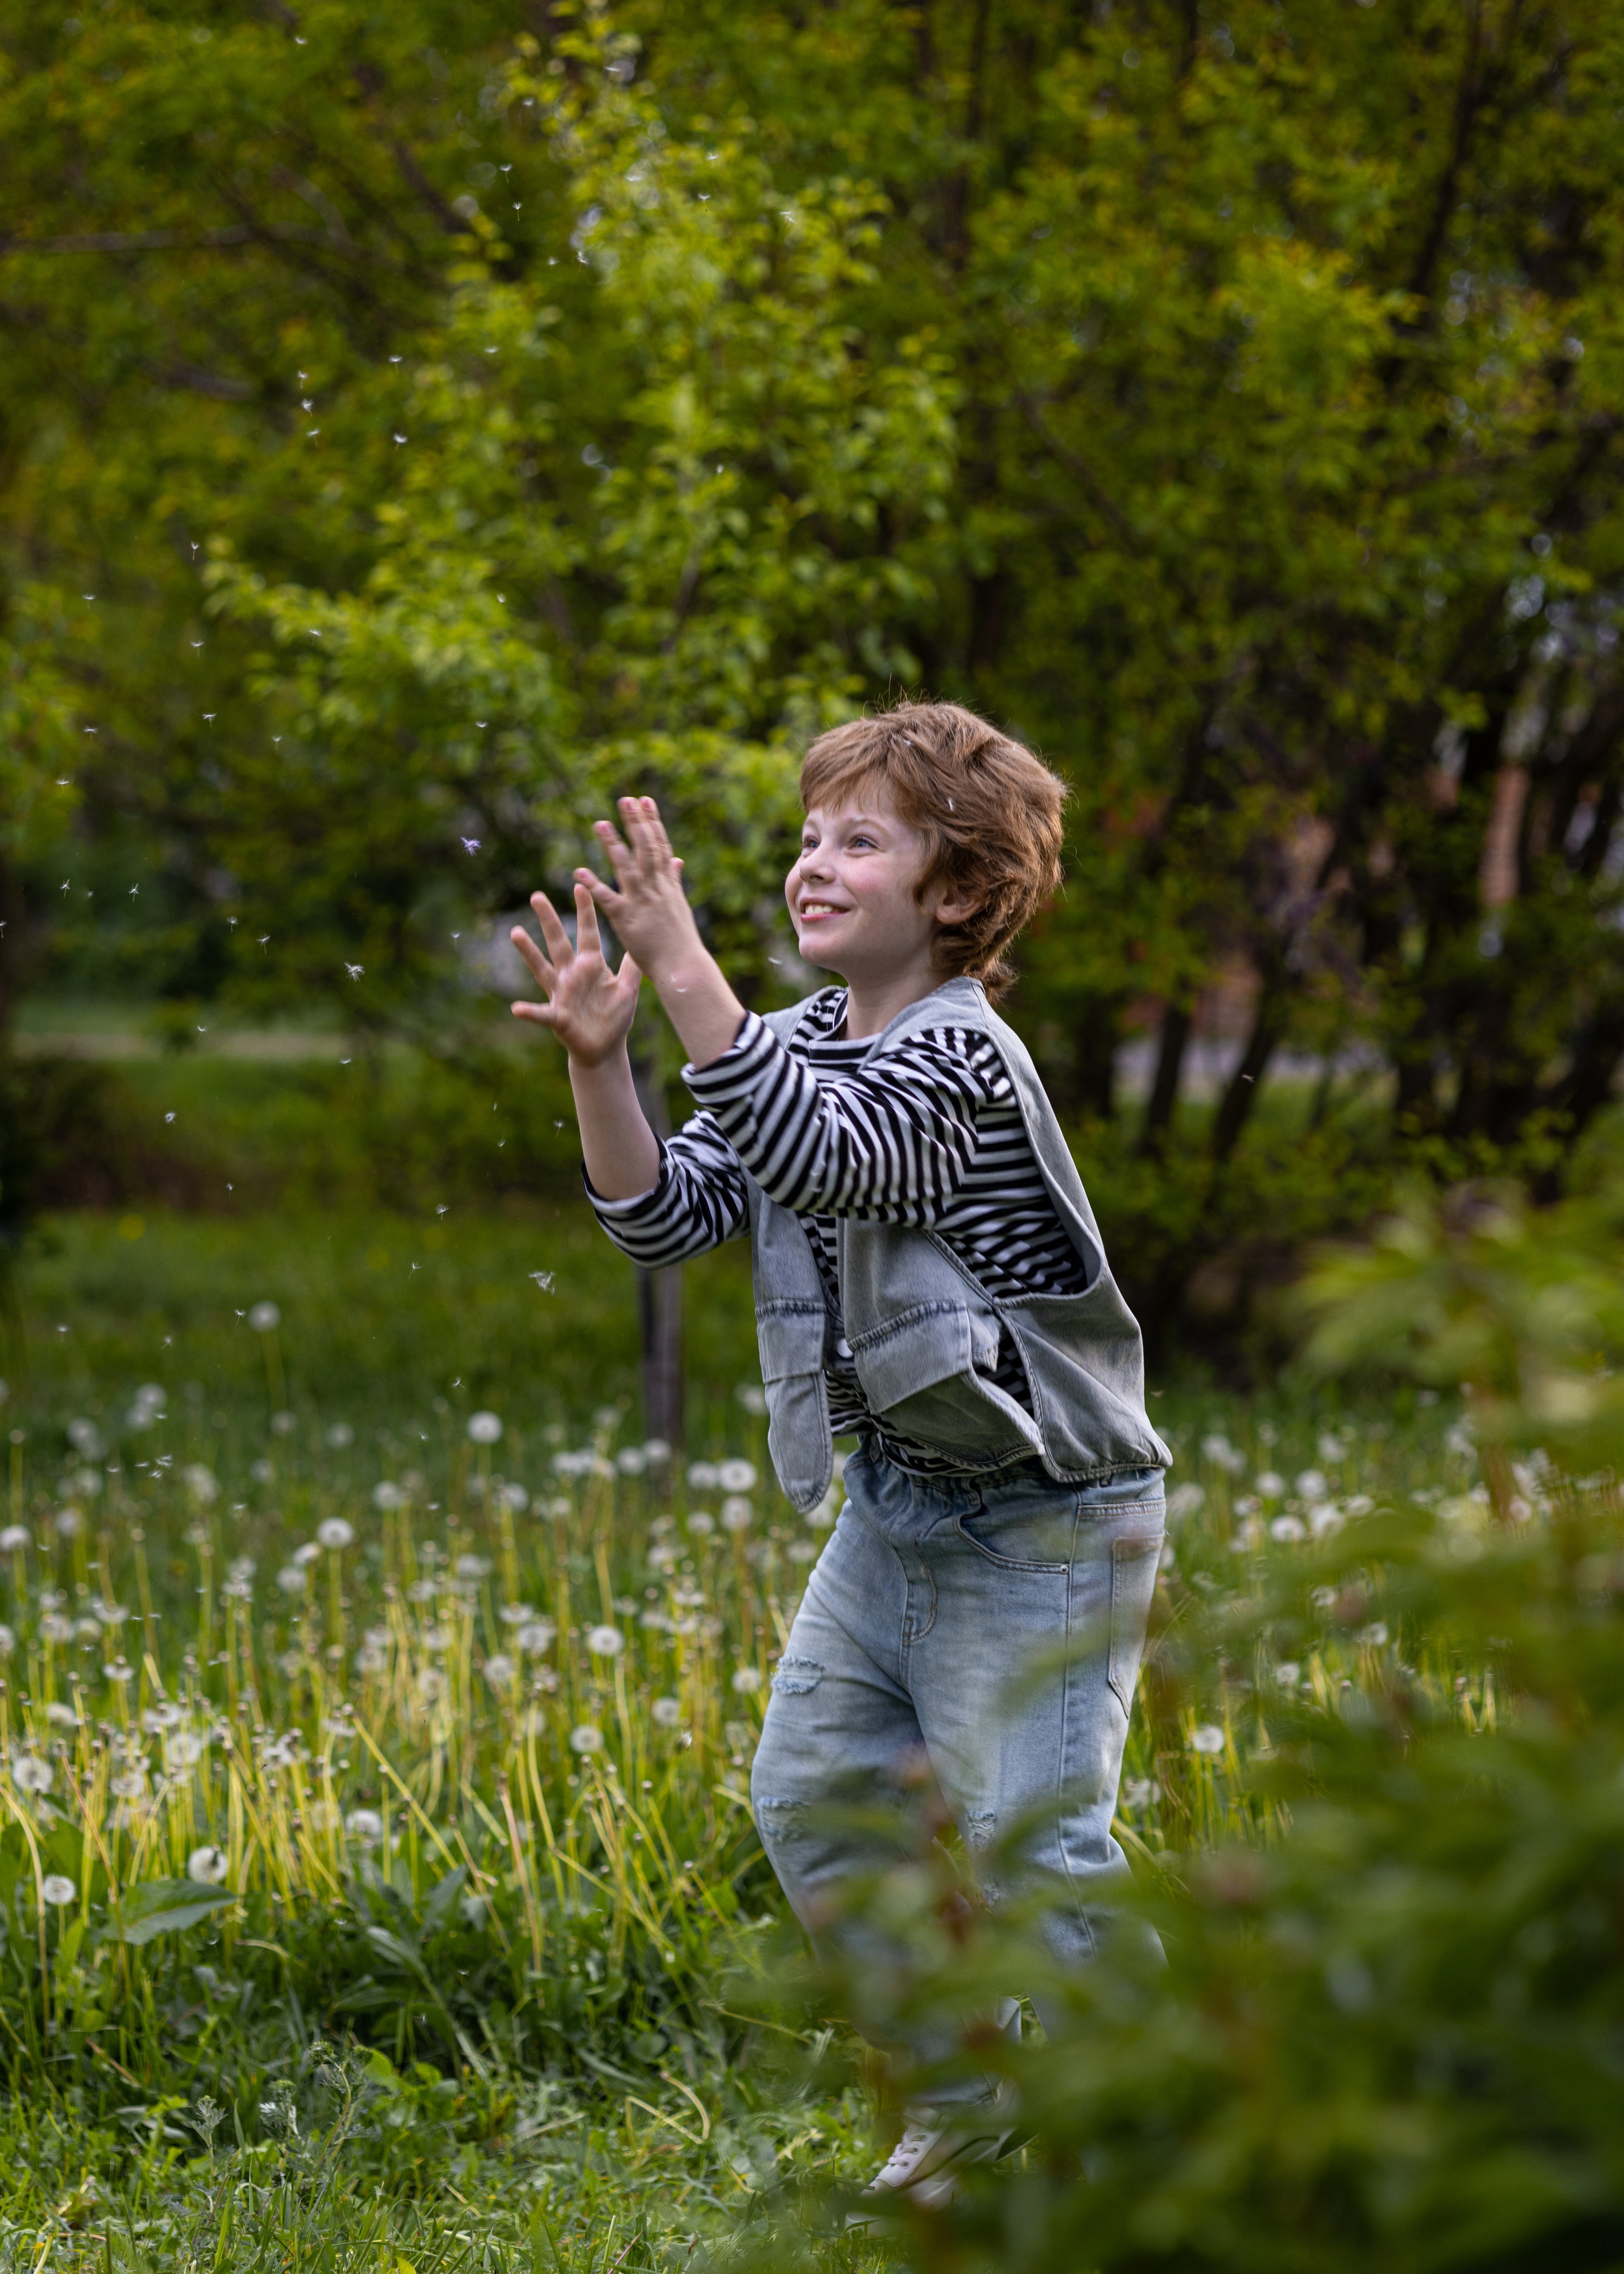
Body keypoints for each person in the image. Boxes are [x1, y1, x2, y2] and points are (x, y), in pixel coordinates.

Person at [510, 701, 1170, 2212]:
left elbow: (831, 1156)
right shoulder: (800, 1042)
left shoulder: (963, 1065)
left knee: (1035, 1850)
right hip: (894, 1511)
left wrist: (680, 965)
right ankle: (967, 2106)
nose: (812, 863)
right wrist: (604, 1065)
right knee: (815, 1791)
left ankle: (1154, 2122)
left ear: (954, 894)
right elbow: (668, 1215)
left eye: (857, 840)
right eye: (807, 836)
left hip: (1048, 1521)